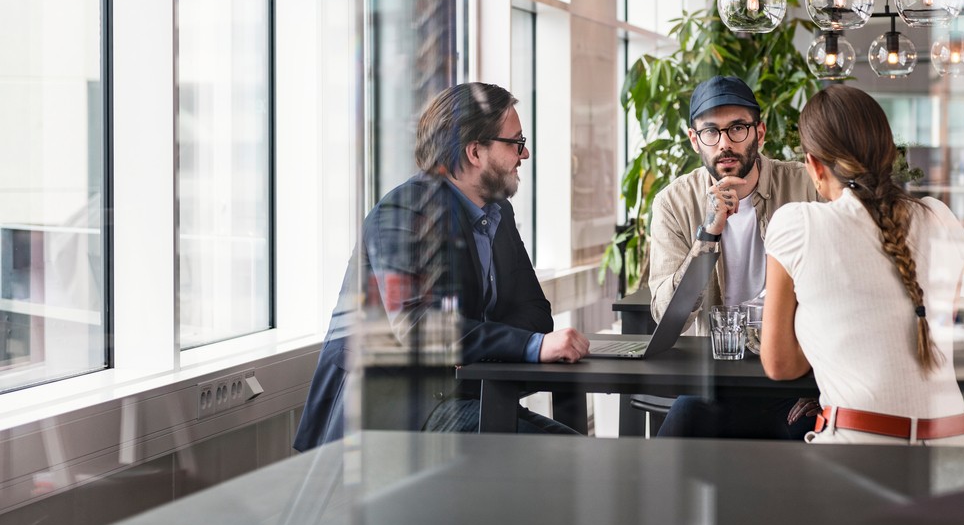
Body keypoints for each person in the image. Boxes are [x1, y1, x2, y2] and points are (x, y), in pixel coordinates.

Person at [294, 83, 589, 450]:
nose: (524, 153)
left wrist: (481, 343)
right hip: (395, 412)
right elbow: (421, 329)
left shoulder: (498, 212)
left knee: (580, 455)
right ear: (475, 152)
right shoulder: (402, 213)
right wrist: (526, 345)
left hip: (463, 395)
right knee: (565, 461)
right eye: (515, 142)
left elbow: (535, 312)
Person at [762, 84, 964, 446]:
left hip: (860, 448)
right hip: (953, 446)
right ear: (888, 152)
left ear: (813, 164)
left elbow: (781, 364)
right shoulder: (939, 217)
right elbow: (942, 320)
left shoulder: (798, 224)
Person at [647, 75, 819, 439]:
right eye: (711, 132)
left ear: (760, 131)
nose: (724, 143)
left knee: (805, 458)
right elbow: (667, 315)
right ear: (695, 140)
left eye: (737, 128)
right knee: (669, 450)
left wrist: (827, 385)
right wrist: (708, 233)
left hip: (797, 375)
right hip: (716, 378)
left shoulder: (808, 185)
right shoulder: (673, 203)